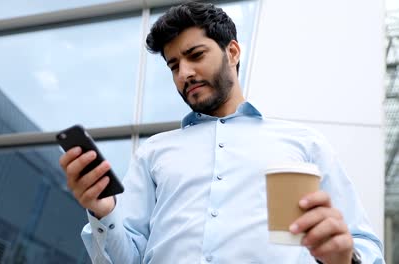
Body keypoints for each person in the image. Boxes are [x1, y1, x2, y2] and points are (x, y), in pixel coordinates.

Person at [59, 2, 384, 263]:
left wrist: (345, 259)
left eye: (196, 55)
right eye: (173, 65)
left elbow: (365, 250)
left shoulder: (304, 143)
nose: (184, 73)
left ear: (232, 52)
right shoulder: (153, 152)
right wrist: (102, 211)